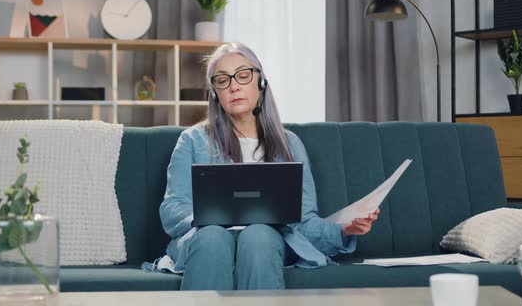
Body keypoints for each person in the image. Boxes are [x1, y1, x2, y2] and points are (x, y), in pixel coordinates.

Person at [159, 42, 380, 290]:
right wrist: (209, 218)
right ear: (214, 93)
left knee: (259, 235)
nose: (234, 86)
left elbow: (303, 220)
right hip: (203, 237)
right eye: (222, 80)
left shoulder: (289, 144)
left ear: (261, 83)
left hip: (266, 241)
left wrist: (344, 230)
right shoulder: (192, 140)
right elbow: (172, 208)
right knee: (212, 236)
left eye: (243, 75)